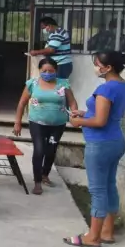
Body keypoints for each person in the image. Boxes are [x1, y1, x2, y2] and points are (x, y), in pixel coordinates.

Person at [65, 51, 125, 247]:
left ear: (108, 67)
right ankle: (107, 232)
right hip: (115, 141)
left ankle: (92, 237)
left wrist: (78, 122)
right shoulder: (122, 86)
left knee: (97, 191)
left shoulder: (106, 89)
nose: (95, 67)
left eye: (96, 64)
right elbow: (105, 115)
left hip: (100, 144)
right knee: (109, 186)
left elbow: (99, 121)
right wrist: (85, 113)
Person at [13, 58, 78, 195]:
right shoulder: (33, 84)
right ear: (39, 71)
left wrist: (74, 116)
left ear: (56, 71)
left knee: (51, 150)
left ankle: (45, 175)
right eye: (44, 71)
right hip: (37, 123)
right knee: (39, 150)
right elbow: (21, 103)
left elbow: (72, 102)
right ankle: (37, 182)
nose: (47, 73)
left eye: (51, 71)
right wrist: (17, 122)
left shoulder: (63, 84)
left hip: (58, 124)